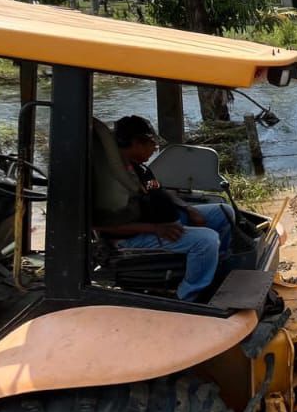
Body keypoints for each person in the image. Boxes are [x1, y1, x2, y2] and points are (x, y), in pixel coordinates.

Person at [95, 115, 234, 302]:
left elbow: (159, 189)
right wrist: (156, 229)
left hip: (163, 222)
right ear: (136, 143)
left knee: (223, 212)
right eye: (151, 144)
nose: (154, 149)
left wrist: (187, 208)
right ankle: (187, 296)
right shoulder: (113, 182)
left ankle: (214, 267)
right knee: (207, 240)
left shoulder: (138, 169)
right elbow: (101, 225)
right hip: (133, 238)